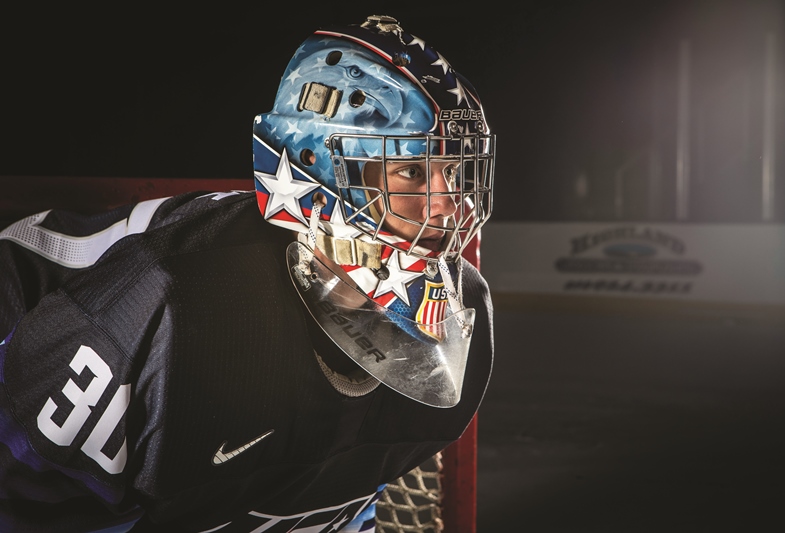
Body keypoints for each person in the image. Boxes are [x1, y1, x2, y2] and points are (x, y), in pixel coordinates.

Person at [0, 15, 496, 532]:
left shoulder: (467, 318)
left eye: (454, 172)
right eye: (412, 170)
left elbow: (337, 491)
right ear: (320, 169)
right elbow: (30, 502)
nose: (449, 206)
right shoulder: (171, 309)